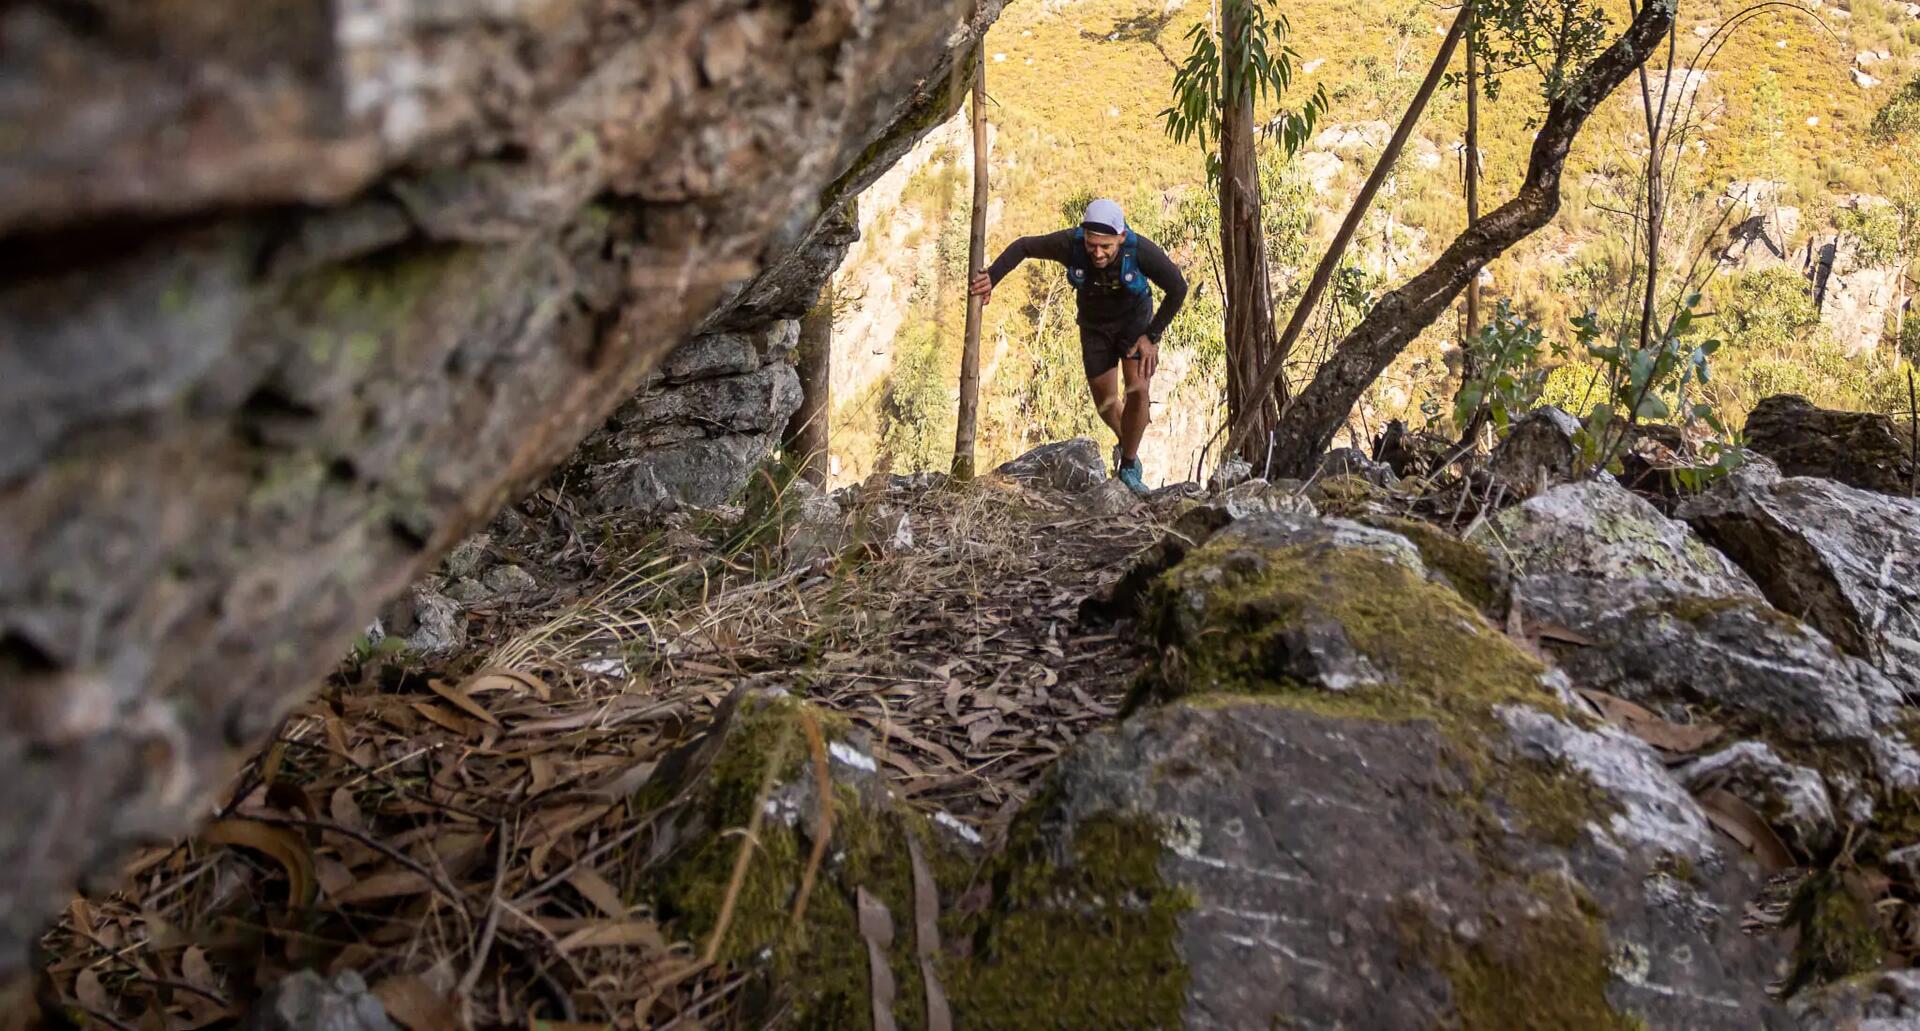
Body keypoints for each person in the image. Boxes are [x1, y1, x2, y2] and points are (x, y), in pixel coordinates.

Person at [969, 198, 1188, 494]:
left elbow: (1178, 287)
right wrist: (992, 277)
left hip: (1134, 323)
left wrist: (1152, 336)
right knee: (1106, 403)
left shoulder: (1140, 250)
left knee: (1138, 389)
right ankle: (1129, 442)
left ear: (1120, 238)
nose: (1098, 253)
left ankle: (1129, 464)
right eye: (1091, 244)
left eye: (1106, 246)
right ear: (1083, 235)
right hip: (1094, 326)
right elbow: (1024, 246)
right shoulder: (1068, 245)